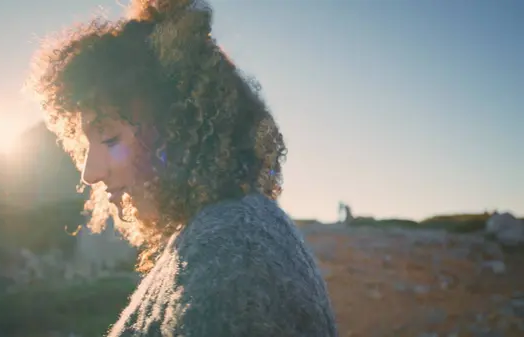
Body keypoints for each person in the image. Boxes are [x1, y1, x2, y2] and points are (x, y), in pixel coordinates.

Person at [28, 0, 338, 336]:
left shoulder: (235, 257)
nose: (90, 173)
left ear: (179, 127)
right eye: (88, 144)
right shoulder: (221, 233)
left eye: (110, 138)